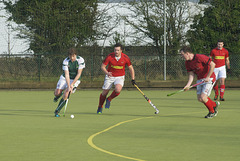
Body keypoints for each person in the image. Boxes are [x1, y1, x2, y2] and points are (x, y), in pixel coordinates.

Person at [179, 46, 220, 119]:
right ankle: (214, 104)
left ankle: (212, 112)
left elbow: (213, 64)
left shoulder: (199, 57)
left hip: (209, 78)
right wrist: (188, 85)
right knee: (200, 99)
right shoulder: (187, 63)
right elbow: (191, 75)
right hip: (200, 79)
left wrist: (208, 76)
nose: (182, 56)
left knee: (203, 97)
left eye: (182, 54)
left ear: (187, 53)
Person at [97, 43, 136, 114]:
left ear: (121, 50)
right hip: (110, 76)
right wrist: (107, 73)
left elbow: (131, 68)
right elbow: (102, 67)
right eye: (115, 50)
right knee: (104, 92)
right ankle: (100, 106)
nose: (116, 52)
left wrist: (133, 79)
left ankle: (109, 99)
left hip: (120, 76)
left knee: (117, 90)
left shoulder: (125, 58)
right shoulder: (109, 56)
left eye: (118, 50)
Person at [53, 48, 85, 117]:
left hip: (75, 79)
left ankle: (57, 110)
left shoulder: (80, 60)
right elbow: (67, 75)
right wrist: (68, 85)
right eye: (70, 56)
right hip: (65, 78)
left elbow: (79, 74)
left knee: (67, 93)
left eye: (73, 56)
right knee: (57, 93)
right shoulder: (66, 61)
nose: (72, 58)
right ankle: (59, 94)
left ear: (76, 55)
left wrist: (72, 85)